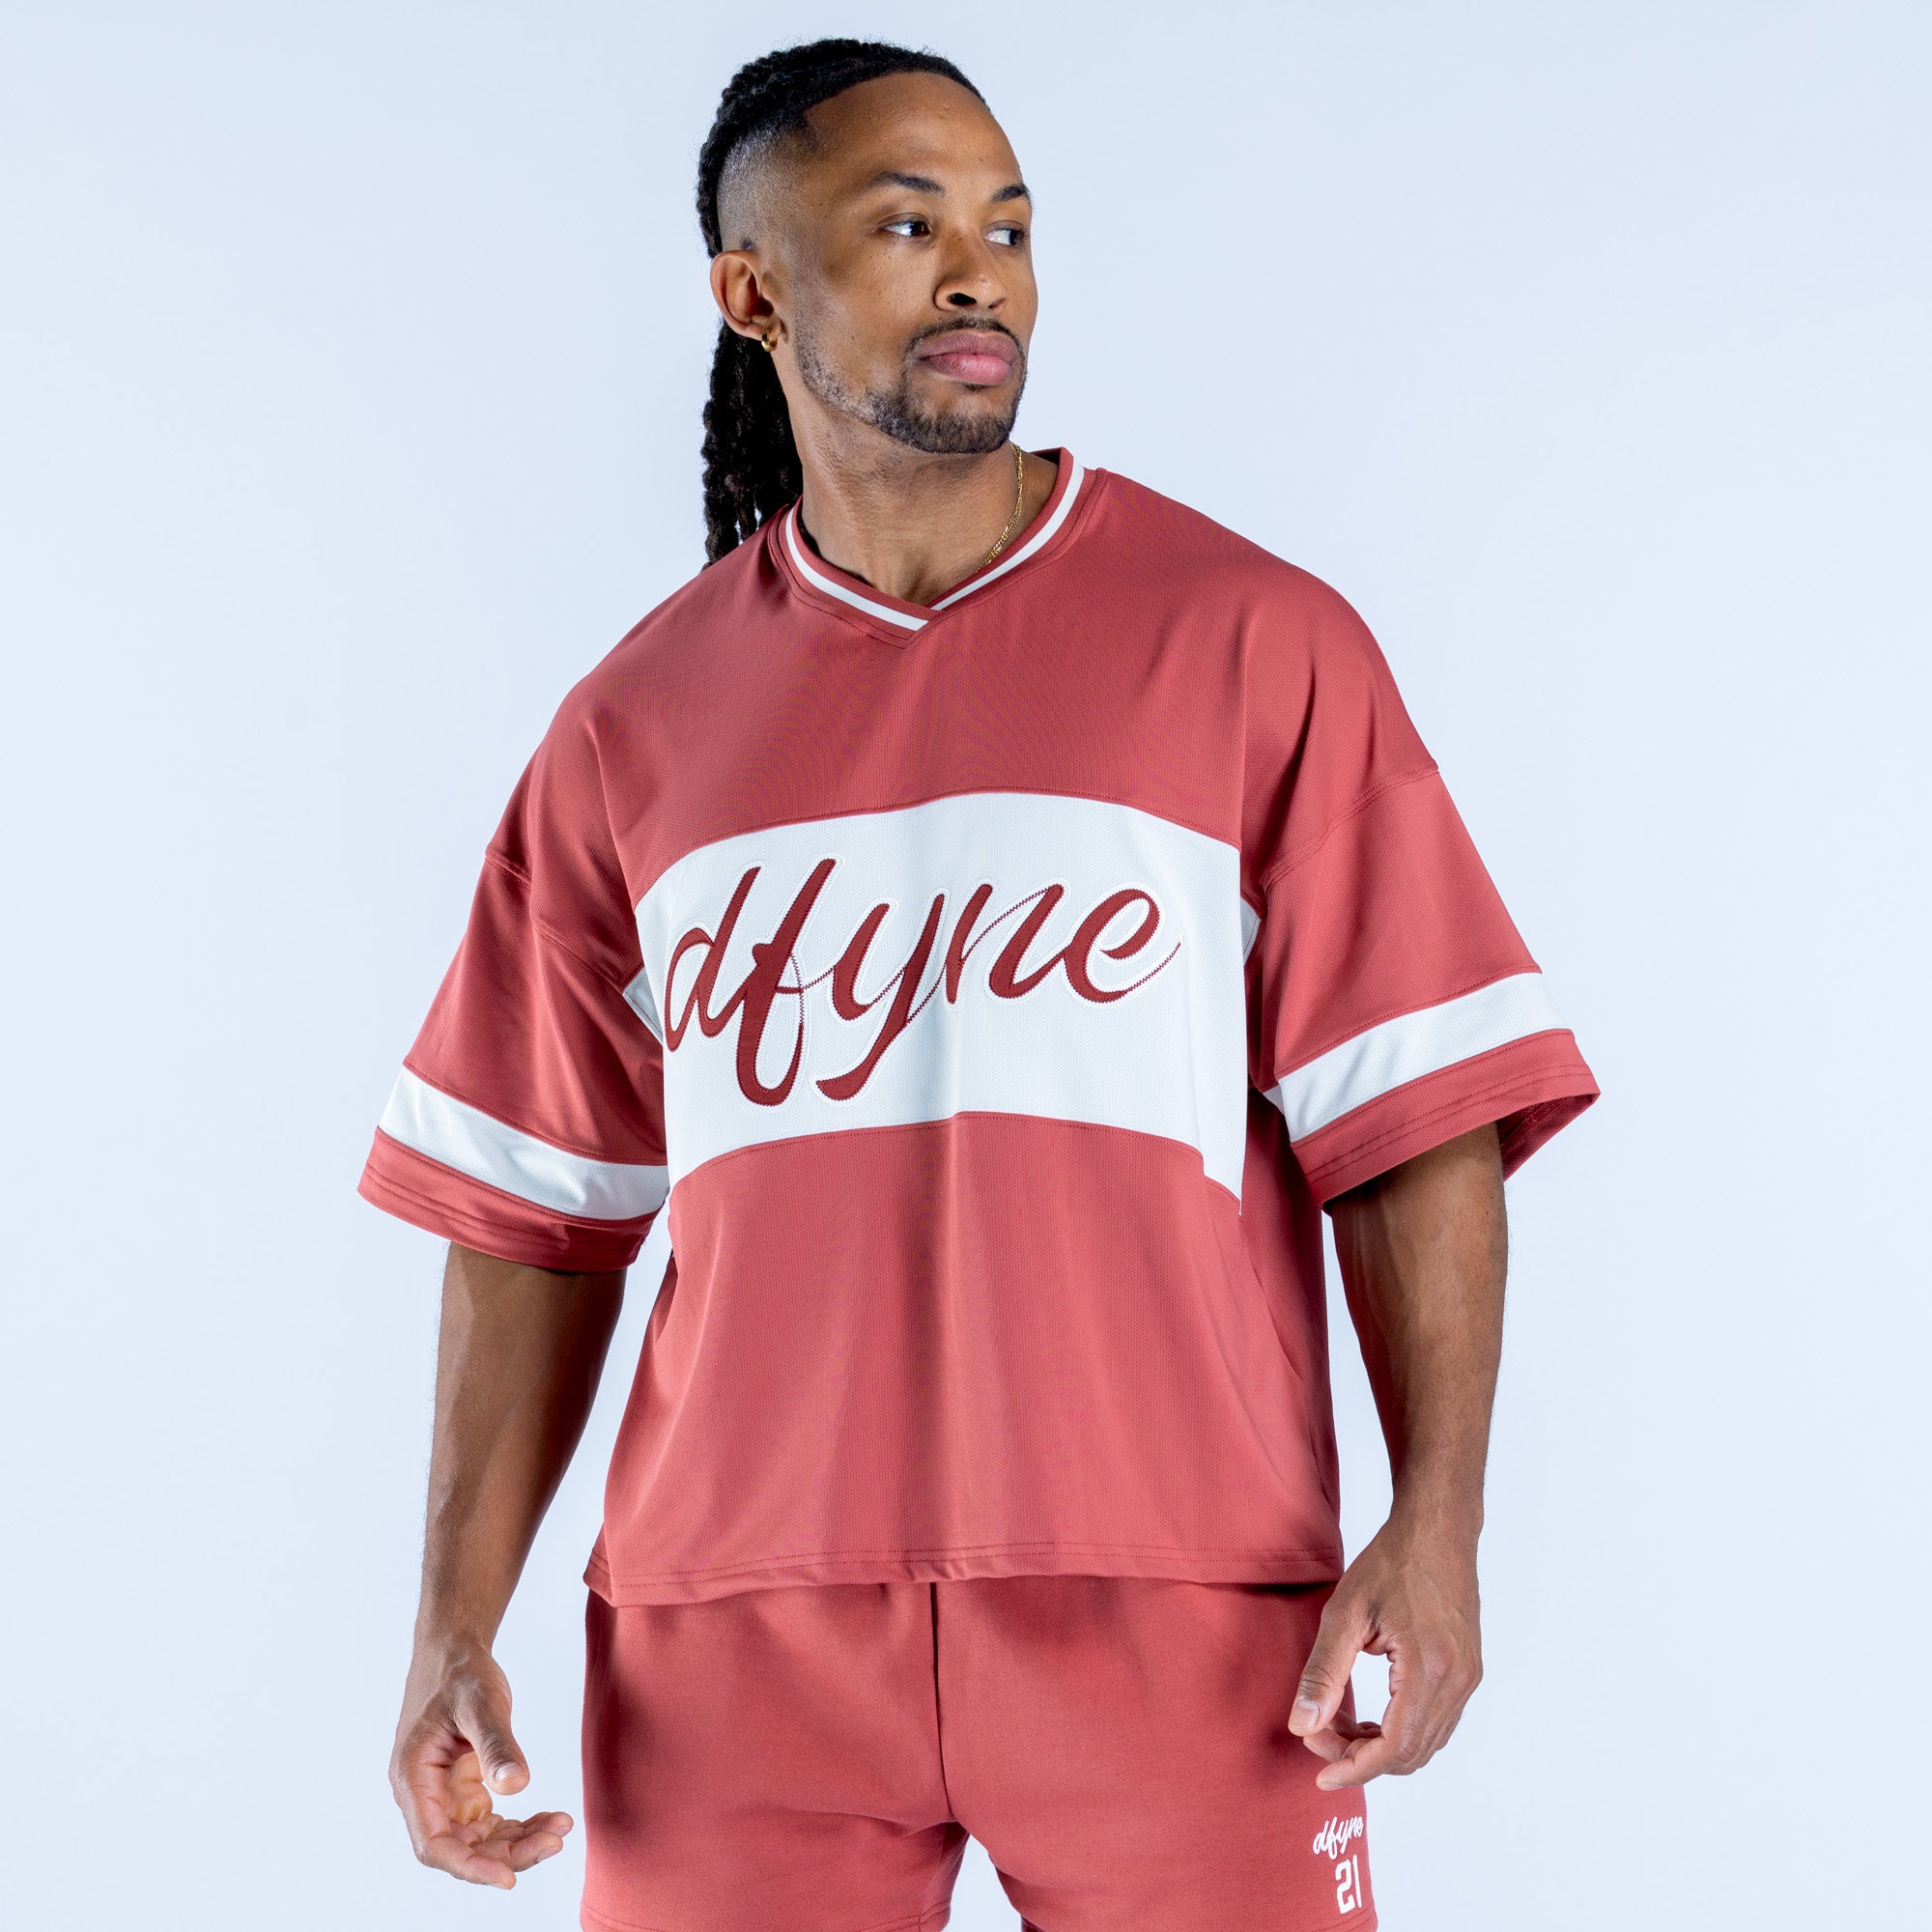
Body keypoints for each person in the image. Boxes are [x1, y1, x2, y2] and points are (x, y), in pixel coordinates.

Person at [361, 37, 1598, 1932]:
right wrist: (450, 1623)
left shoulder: (1256, 645)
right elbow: (531, 1216)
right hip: (731, 1640)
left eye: (1008, 228)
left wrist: (1438, 1527)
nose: (978, 275)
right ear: (752, 292)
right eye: (906, 224)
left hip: (1188, 1614)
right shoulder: (631, 727)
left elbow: (1416, 1124)